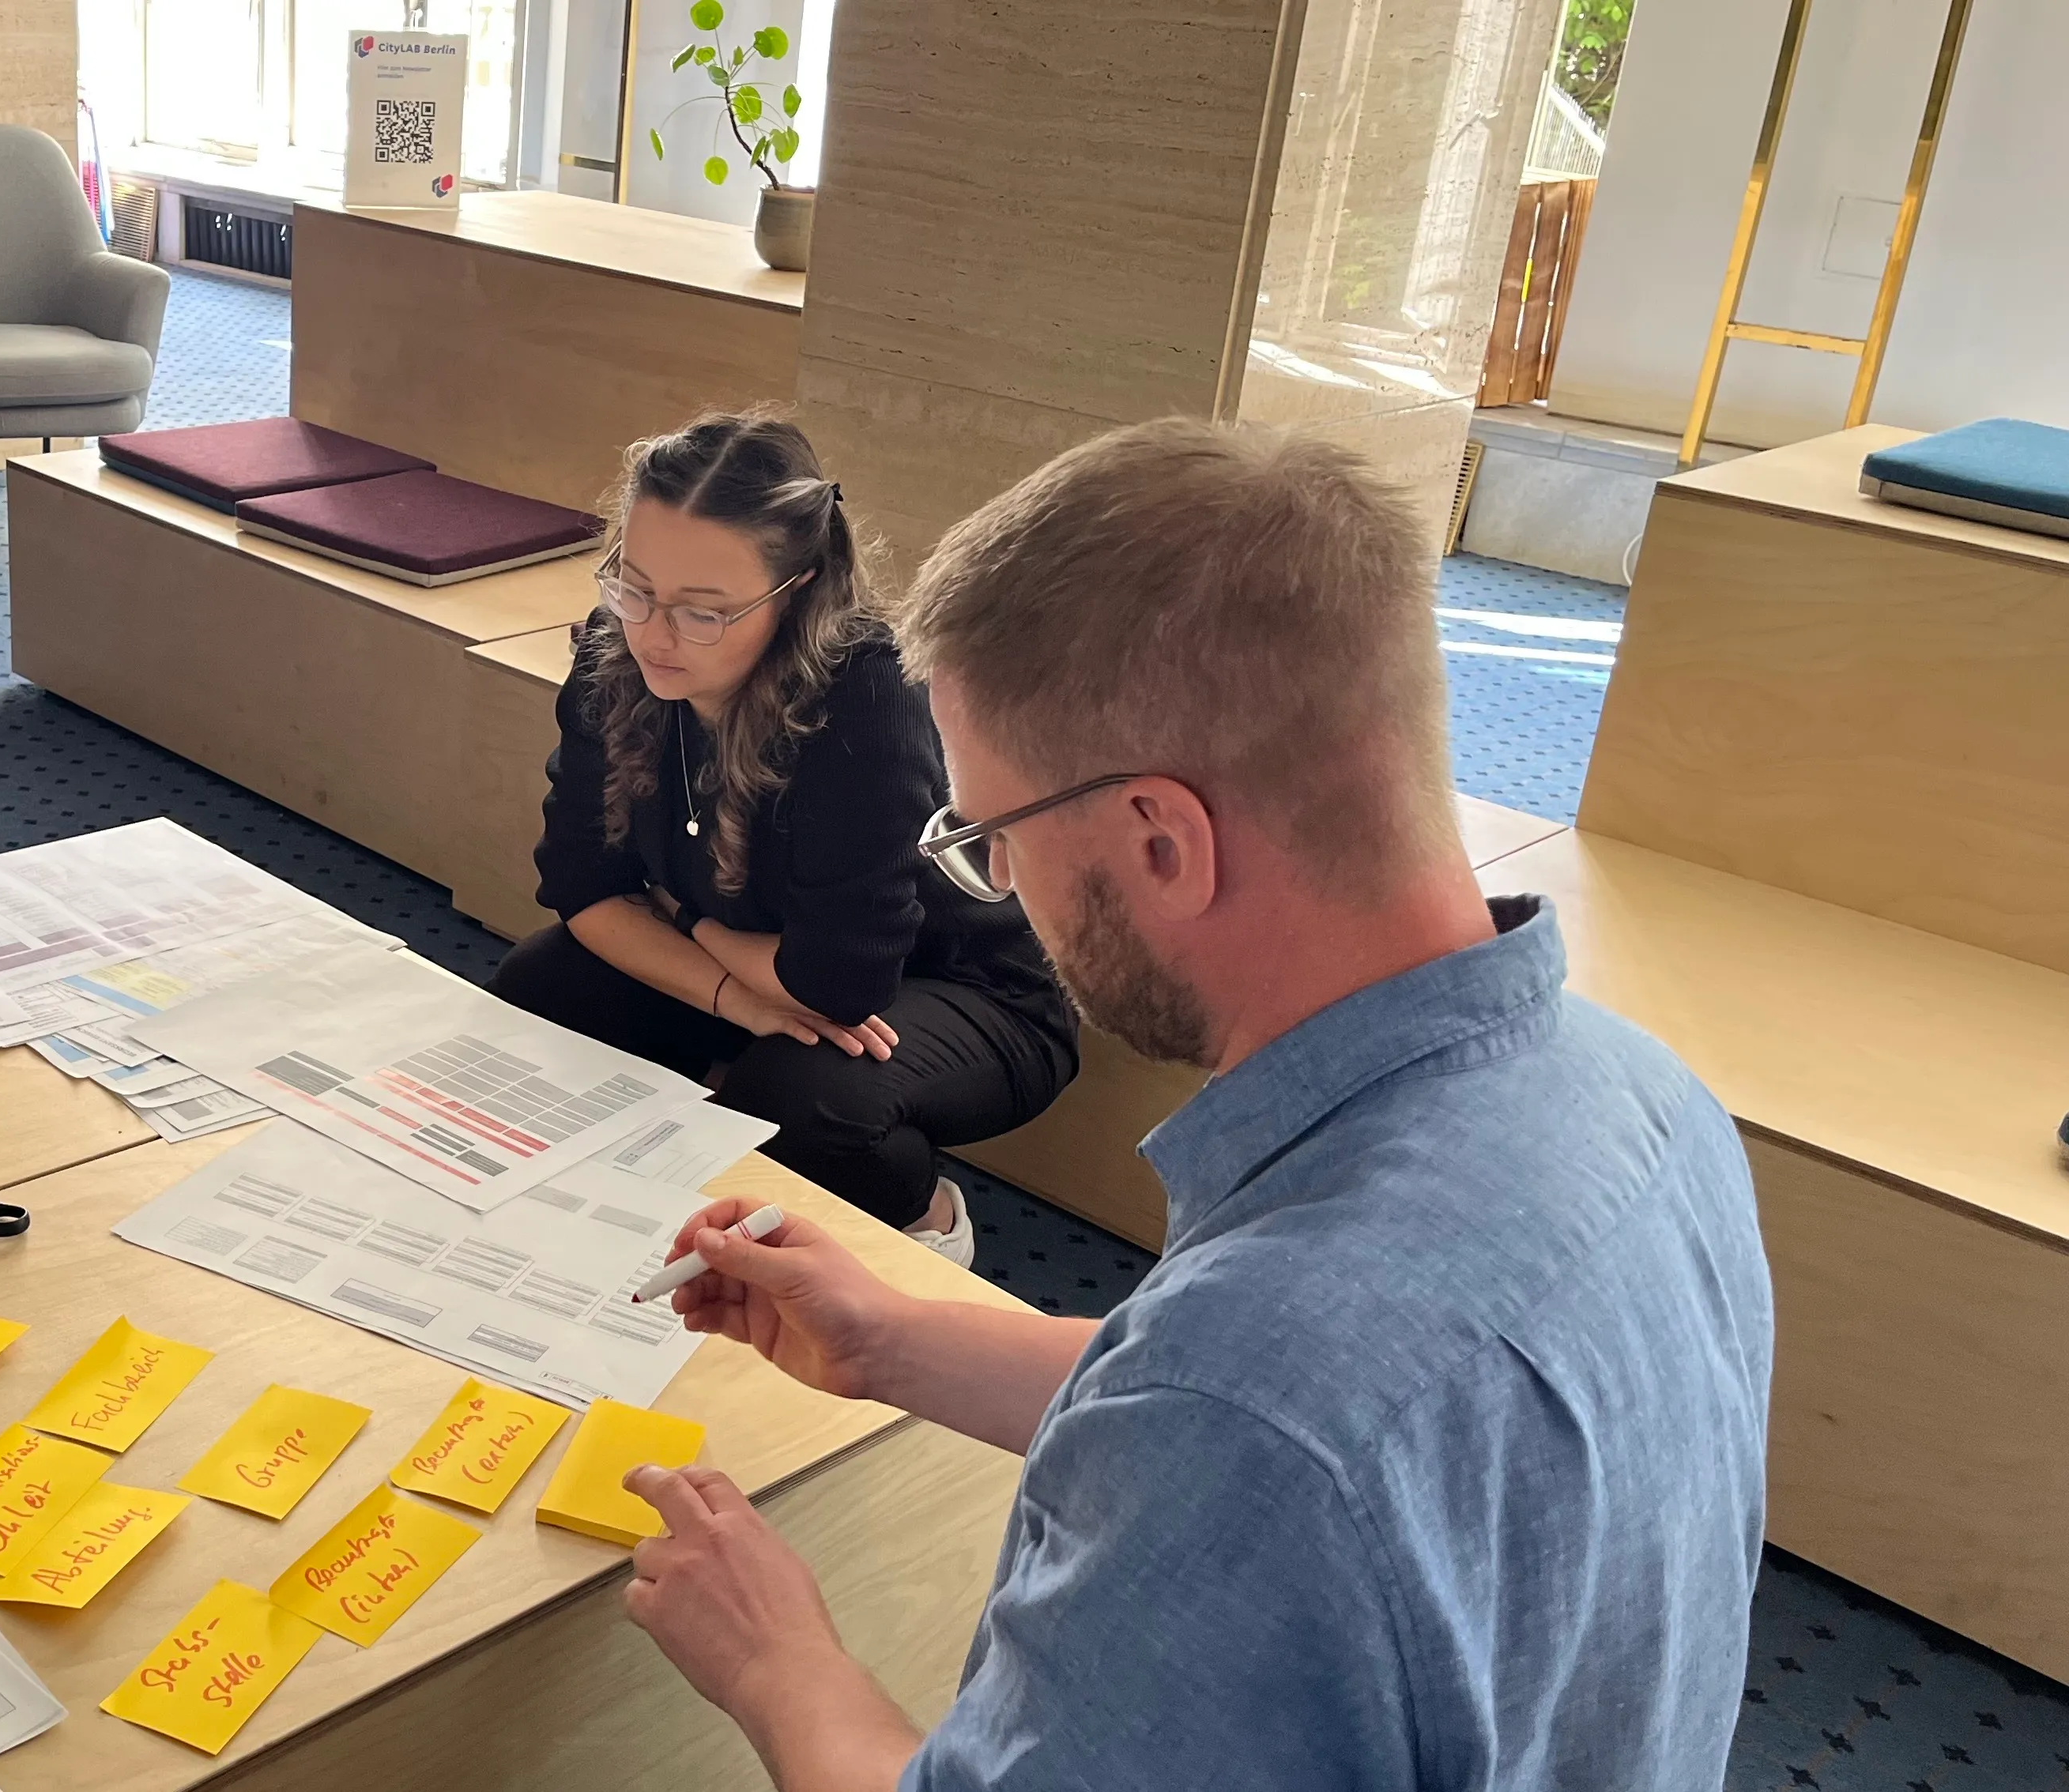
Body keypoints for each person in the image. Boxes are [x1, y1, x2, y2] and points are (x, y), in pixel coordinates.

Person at [614, 420, 1774, 1789]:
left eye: (991, 840)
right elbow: (1322, 1432)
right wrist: (891, 1341)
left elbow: (1259, 1423)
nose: (1003, 889)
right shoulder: (1647, 1097)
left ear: (1159, 841)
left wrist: (776, 1659)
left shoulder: (1255, 1402)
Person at [486, 413, 1078, 1263]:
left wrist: (686, 922)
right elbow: (583, 888)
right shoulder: (618, 650)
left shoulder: (867, 695)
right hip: (762, 966)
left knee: (801, 1101)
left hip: (958, 988)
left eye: (704, 612)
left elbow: (838, 984)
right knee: (538, 988)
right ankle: (702, 1114)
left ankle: (922, 1221)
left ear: (795, 592)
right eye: (635, 586)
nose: (653, 633)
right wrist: (733, 997)